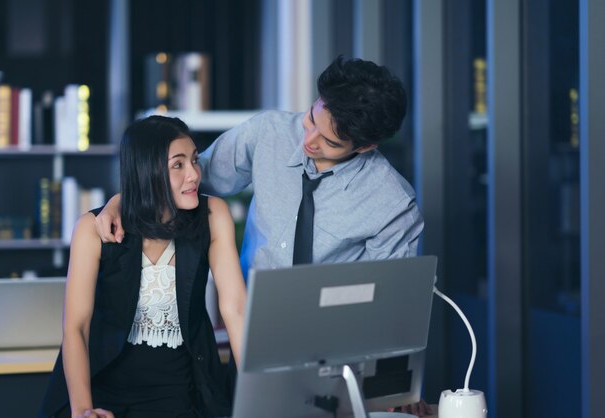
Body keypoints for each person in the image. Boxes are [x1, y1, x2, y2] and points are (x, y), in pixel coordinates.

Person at [95, 57, 433, 416]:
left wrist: (395, 391)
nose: (309, 139)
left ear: (365, 147)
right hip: (251, 342)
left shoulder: (393, 204)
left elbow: (388, 314)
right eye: (312, 118)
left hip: (333, 362)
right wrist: (124, 201)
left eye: (330, 141)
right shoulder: (267, 133)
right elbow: (183, 180)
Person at [39, 116, 246, 418]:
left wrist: (260, 392)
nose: (194, 175)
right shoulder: (92, 228)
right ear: (147, 171)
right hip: (104, 390)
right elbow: (76, 327)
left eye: (194, 161)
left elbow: (236, 309)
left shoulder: (213, 214)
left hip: (184, 394)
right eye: (178, 165)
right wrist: (84, 410)